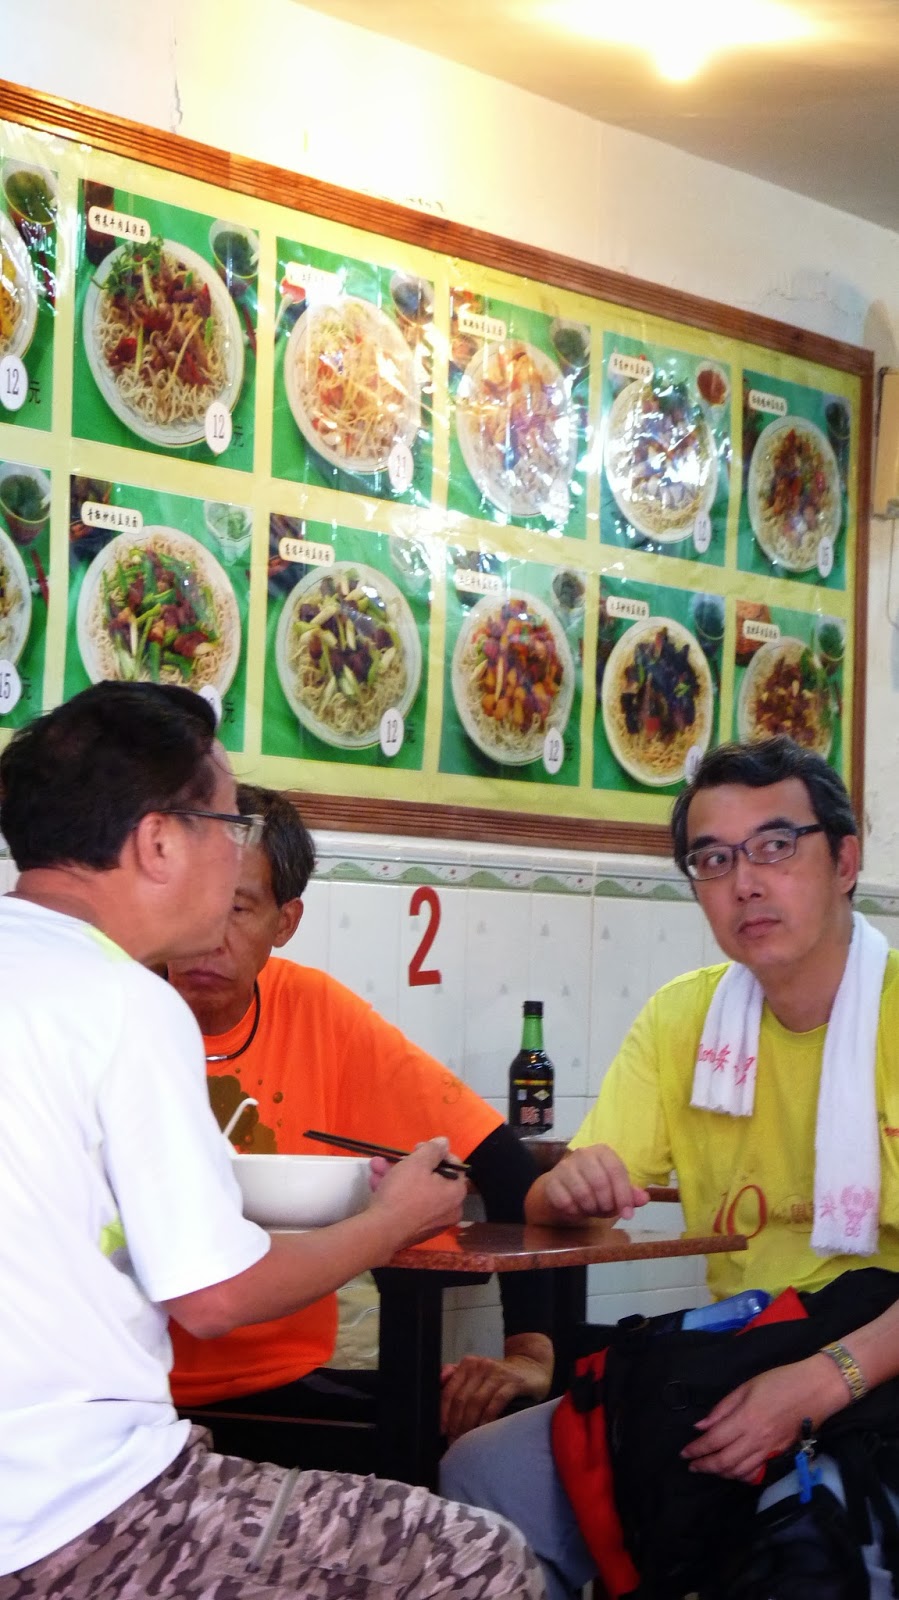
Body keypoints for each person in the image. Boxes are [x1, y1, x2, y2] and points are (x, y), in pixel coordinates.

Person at [0, 681, 544, 1600]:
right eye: (229, 824)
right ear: (159, 842)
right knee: (478, 1557)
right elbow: (214, 1299)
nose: (234, 854)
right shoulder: (127, 1001)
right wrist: (394, 1219)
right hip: (73, 1510)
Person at [442, 736, 899, 1600]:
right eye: (712, 859)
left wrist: (819, 1381)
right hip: (745, 1351)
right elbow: (559, 1204)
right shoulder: (682, 1020)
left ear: (844, 861)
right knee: (482, 1476)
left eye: (774, 846)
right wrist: (564, 1189)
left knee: (810, 1545)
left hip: (872, 1361)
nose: (744, 883)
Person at [166, 783, 554, 1452]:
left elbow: (501, 1164)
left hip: (289, 1386)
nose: (208, 936)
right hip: (126, 1391)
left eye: (236, 908)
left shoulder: (317, 1015)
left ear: (285, 922)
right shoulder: (112, 1007)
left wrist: (528, 1355)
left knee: (503, 1437)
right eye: (189, 901)